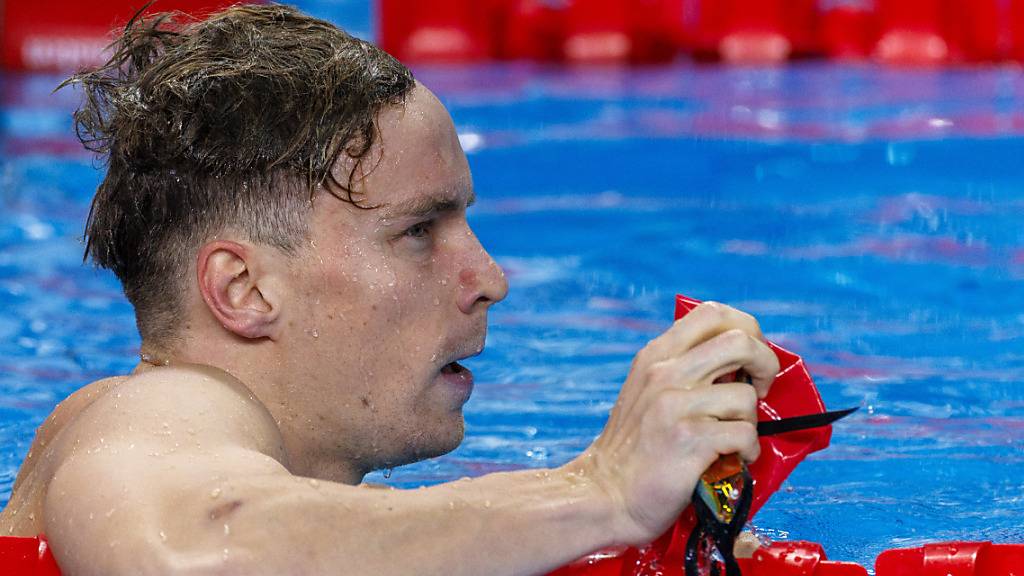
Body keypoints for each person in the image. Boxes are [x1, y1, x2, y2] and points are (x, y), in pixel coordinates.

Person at [0, 5, 778, 575]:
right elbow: (188, 553)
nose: (491, 280)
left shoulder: (286, 480)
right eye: (417, 232)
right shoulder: (151, 413)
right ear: (243, 290)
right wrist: (598, 489)